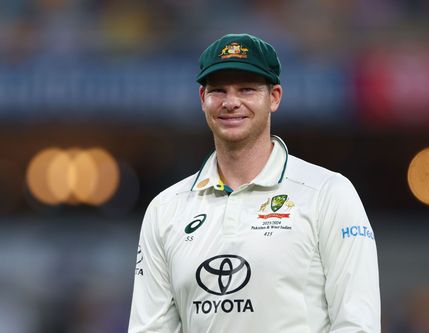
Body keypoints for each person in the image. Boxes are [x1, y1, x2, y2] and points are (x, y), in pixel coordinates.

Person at [128, 33, 380, 333]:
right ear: (202, 99)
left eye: (246, 90)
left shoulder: (328, 193)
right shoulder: (165, 208)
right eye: (219, 91)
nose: (231, 102)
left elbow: (357, 325)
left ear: (274, 97)